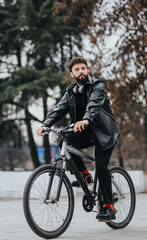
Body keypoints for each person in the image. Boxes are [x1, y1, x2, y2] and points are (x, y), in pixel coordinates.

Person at [36, 56, 119, 221]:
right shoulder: (70, 92)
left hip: (104, 133)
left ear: (87, 70)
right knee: (64, 142)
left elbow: (94, 104)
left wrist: (86, 119)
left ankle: (108, 207)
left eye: (83, 68)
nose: (81, 71)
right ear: (71, 74)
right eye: (77, 69)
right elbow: (59, 109)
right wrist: (45, 124)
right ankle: (85, 176)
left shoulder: (98, 85)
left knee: (101, 166)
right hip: (85, 131)